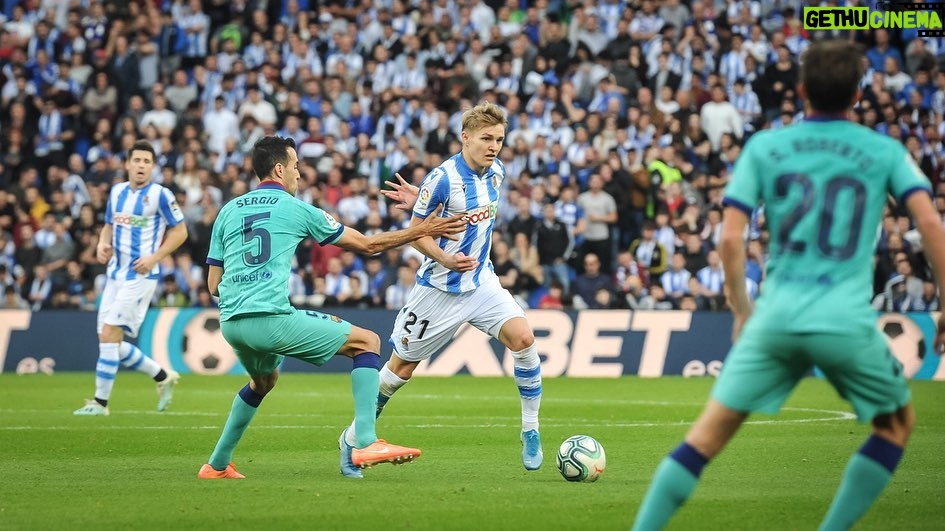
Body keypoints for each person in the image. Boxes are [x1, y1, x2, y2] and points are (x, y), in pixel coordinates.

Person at [631, 40, 945, 530]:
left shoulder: (766, 147)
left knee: (704, 440)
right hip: (845, 320)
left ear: (800, 91)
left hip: (775, 316)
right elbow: (929, 226)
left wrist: (740, 308)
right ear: (858, 93)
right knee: (897, 424)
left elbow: (730, 239)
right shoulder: (885, 151)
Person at [197, 136, 468, 479]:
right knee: (367, 342)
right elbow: (367, 245)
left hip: (232, 324)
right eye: (296, 166)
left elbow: (212, 285)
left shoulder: (228, 210)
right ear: (279, 169)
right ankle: (365, 441)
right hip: (270, 320)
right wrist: (423, 229)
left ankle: (217, 464)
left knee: (263, 382)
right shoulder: (295, 208)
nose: (299, 173)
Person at [345, 101, 544, 473]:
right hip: (438, 289)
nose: (494, 146)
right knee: (398, 372)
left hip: (482, 282)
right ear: (465, 138)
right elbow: (417, 235)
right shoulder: (442, 177)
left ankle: (530, 429)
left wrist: (421, 199)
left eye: (499, 139)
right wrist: (445, 257)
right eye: (487, 138)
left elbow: (462, 213)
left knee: (524, 339)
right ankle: (355, 437)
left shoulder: (497, 172)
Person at [73, 141, 188, 416]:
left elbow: (180, 231)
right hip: (115, 274)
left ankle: (100, 403)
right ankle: (162, 376)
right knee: (108, 340)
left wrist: (154, 258)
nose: (141, 165)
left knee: (111, 332)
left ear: (153, 166)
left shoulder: (161, 195)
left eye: (147, 161)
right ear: (127, 164)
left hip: (141, 275)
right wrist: (102, 243)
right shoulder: (116, 192)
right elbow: (108, 226)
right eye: (137, 160)